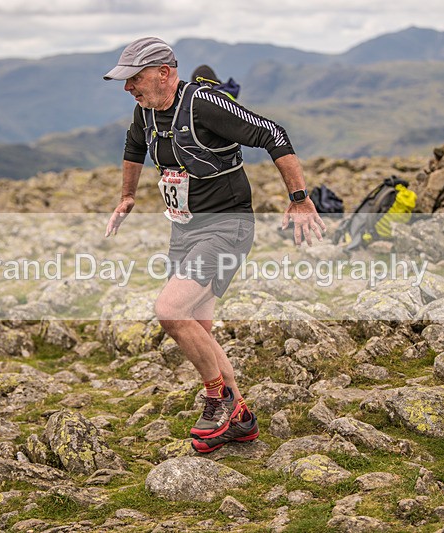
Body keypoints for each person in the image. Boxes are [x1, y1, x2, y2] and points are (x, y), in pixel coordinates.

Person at [103, 37, 325, 453]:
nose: (128, 88)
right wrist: (127, 196)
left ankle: (217, 398)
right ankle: (240, 418)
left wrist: (299, 199)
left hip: (227, 227)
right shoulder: (146, 111)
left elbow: (273, 134)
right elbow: (134, 147)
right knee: (198, 328)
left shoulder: (205, 104)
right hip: (184, 229)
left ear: (164, 72)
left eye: (134, 79)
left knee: (169, 311)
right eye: (125, 81)